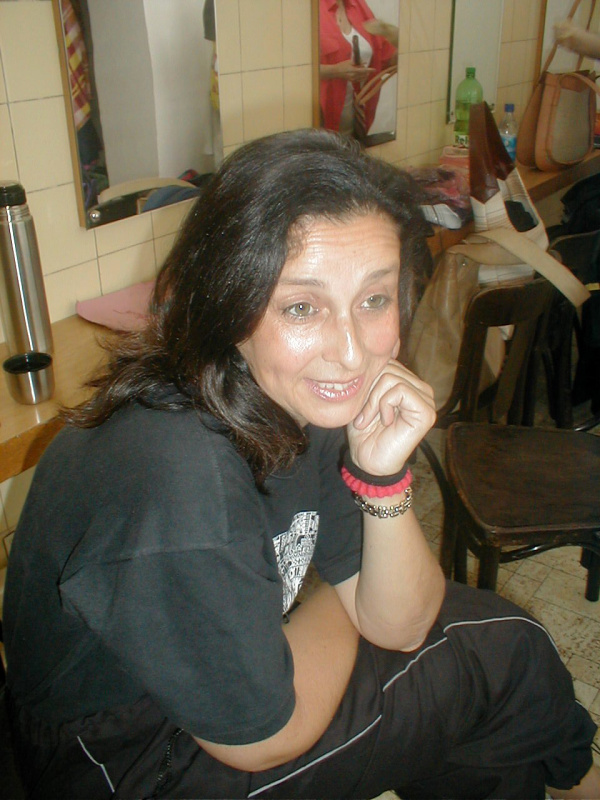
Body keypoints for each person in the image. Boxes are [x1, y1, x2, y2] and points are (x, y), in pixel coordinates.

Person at [3, 128, 599, 800]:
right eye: (301, 307)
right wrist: (334, 602)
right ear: (228, 301)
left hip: (212, 702)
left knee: (486, 674)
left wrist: (382, 478)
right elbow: (263, 738)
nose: (351, 352)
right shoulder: (181, 475)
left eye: (374, 299)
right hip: (128, 756)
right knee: (502, 655)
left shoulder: (292, 396)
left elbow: (403, 622)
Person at [319, 0, 397, 136]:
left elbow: (387, 58)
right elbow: (293, 71)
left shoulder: (359, 5)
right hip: (321, 126)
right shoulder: (310, 9)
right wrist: (335, 71)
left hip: (358, 123)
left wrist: (397, 38)